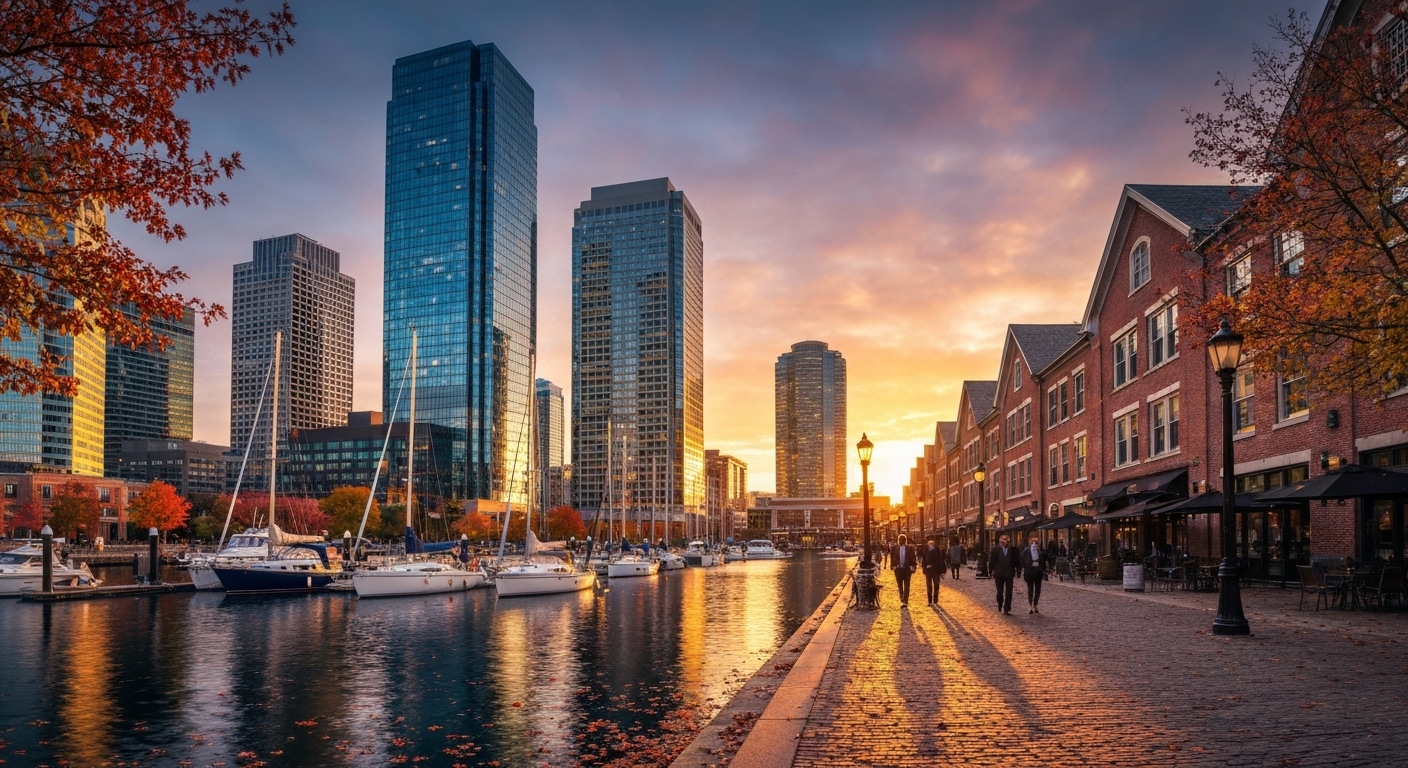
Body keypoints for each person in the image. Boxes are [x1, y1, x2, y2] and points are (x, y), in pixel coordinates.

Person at [989, 533, 1021, 615]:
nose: (1004, 542)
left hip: (1009, 573)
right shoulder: (996, 550)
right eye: (1002, 540)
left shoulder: (1014, 550)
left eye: (1005, 540)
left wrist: (1018, 572)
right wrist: (990, 571)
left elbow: (1017, 562)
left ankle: (1007, 607)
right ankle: (1000, 603)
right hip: (998, 574)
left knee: (1009, 592)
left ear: (1008, 541)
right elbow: (992, 561)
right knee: (999, 592)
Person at [1021, 533, 1048, 613]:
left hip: (1038, 572)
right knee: (1030, 589)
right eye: (1033, 541)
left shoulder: (1040, 551)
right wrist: (1024, 568)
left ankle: (1035, 604)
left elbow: (1044, 561)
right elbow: (1022, 560)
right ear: (1030, 542)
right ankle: (1030, 605)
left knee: (1038, 589)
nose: (1034, 543)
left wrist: (1044, 571)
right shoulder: (1026, 550)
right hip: (1030, 571)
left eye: (1036, 542)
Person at [890, 534, 918, 608]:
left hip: (907, 569)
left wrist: (914, 566)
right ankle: (901, 596)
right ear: (898, 541)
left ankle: (905, 600)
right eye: (900, 540)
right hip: (898, 569)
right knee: (899, 585)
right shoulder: (894, 548)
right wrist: (893, 566)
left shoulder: (910, 548)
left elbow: (913, 558)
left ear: (905, 541)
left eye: (903, 540)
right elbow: (892, 558)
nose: (901, 541)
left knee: (907, 585)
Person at [922, 537, 944, 605]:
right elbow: (924, 560)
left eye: (932, 543)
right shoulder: (926, 551)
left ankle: (935, 600)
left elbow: (940, 561)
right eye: (930, 543)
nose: (931, 545)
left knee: (936, 585)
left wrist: (940, 570)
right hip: (929, 571)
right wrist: (925, 568)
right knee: (929, 586)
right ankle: (930, 600)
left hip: (936, 571)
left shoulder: (937, 551)